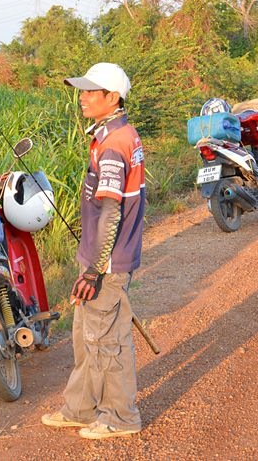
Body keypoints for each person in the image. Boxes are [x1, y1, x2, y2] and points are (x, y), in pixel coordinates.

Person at [41, 62, 146, 439]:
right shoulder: (109, 135)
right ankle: (81, 408)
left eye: (91, 92)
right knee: (86, 337)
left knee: (107, 342)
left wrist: (94, 269)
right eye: (81, 90)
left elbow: (111, 211)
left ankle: (120, 417)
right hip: (97, 258)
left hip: (108, 263)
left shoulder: (115, 144)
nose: (82, 97)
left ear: (112, 98)